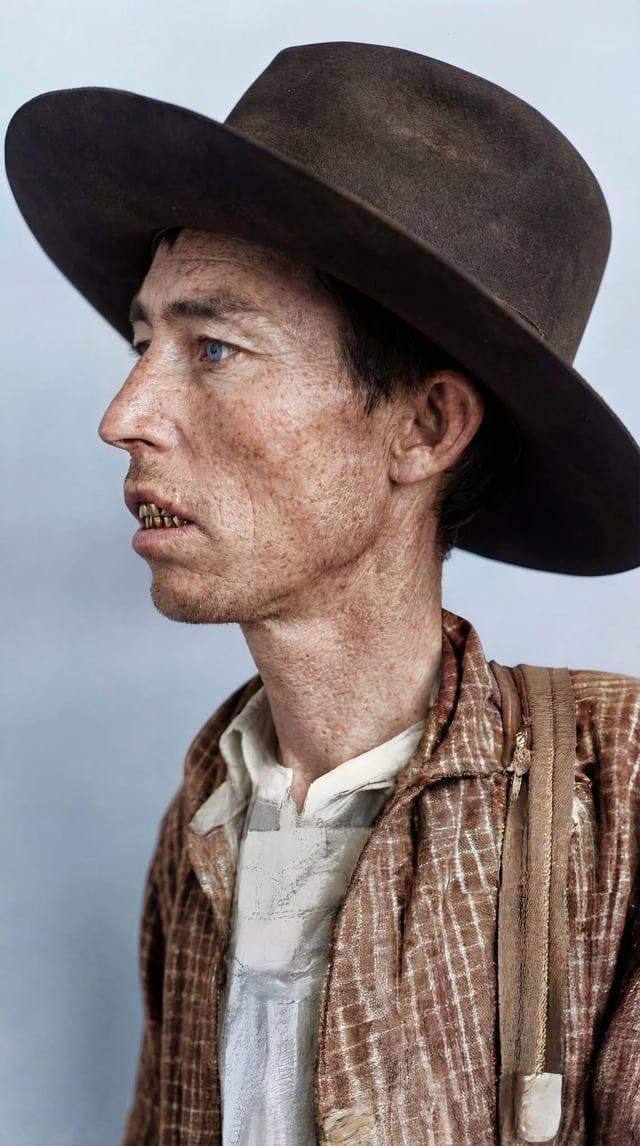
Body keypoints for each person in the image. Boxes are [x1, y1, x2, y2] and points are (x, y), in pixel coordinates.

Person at [5, 41, 639, 1146]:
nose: (124, 416)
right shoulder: (210, 807)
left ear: (425, 426)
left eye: (213, 348)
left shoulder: (617, 791)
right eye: (145, 342)